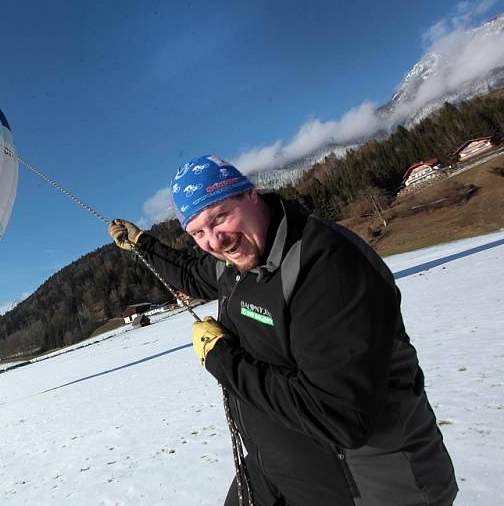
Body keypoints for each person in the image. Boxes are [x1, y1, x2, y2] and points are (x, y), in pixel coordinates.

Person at [108, 155, 457, 506]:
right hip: (280, 462)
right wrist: (142, 244)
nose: (216, 241)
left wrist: (220, 358)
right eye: (198, 232)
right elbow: (191, 272)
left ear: (250, 195)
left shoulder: (326, 265)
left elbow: (339, 416)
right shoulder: (236, 261)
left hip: (367, 484)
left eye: (220, 217)